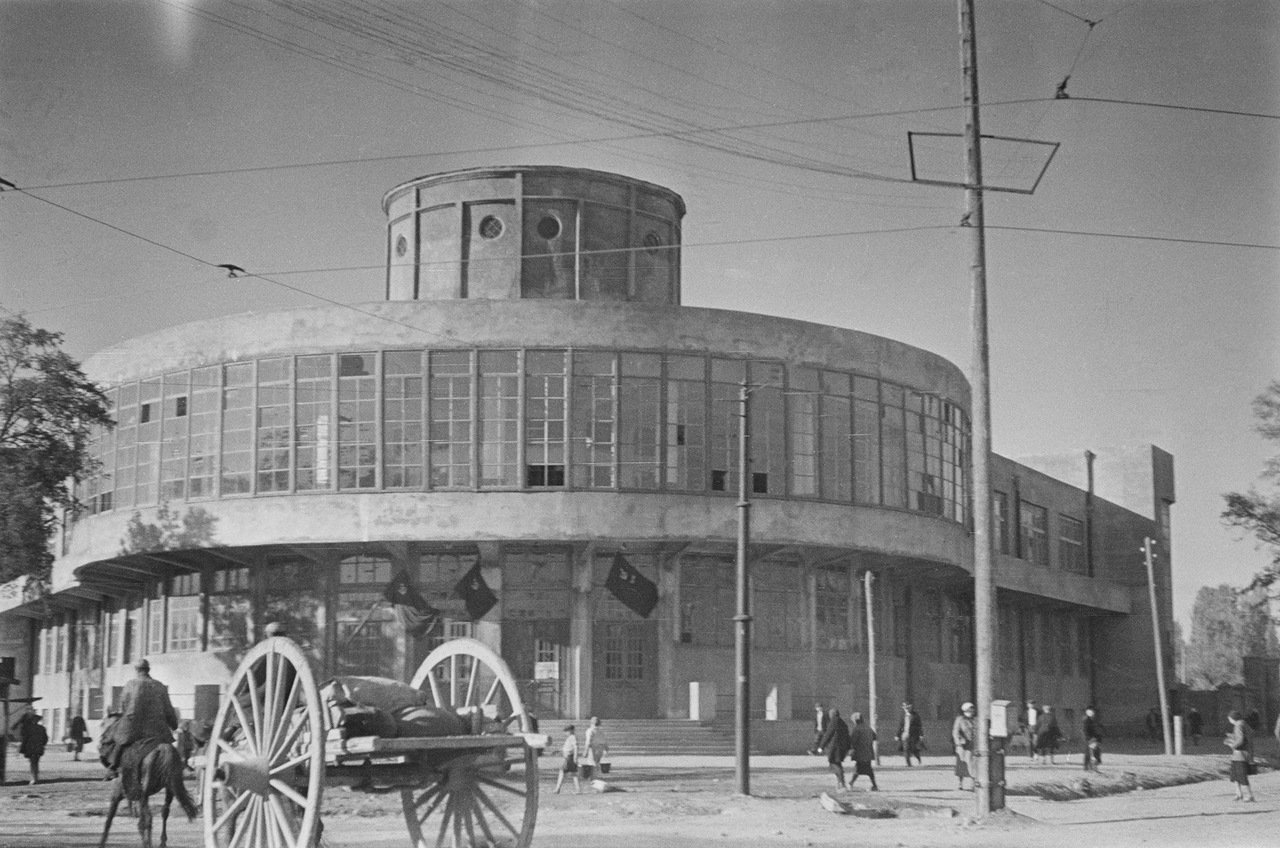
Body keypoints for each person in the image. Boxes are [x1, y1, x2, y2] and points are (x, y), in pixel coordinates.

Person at [109, 657, 180, 776]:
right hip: (158, 728)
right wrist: (173, 724)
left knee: (119, 740)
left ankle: (113, 767)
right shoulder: (160, 686)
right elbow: (168, 708)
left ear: (136, 670)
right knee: (171, 751)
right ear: (148, 670)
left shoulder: (130, 684)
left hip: (134, 728)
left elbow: (123, 706)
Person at [817, 707, 851, 791]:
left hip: (835, 748)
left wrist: (821, 746)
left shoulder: (833, 722)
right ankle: (840, 782)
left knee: (833, 764)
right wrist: (849, 747)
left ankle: (842, 783)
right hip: (842, 748)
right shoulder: (843, 723)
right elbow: (848, 736)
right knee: (837, 764)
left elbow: (828, 734)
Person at [1224, 710, 1255, 802]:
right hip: (1242, 754)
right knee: (1235, 775)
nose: (1229, 720)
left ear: (1233, 718)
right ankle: (1238, 794)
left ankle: (1250, 795)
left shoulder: (1238, 725)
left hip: (1240, 754)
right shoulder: (1244, 724)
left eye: (1229, 718)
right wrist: (1232, 736)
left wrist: (1232, 744)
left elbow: (1241, 740)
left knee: (1241, 775)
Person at [847, 712, 878, 791]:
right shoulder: (868, 727)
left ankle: (850, 783)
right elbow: (875, 737)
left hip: (860, 752)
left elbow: (853, 741)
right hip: (868, 752)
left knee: (858, 768)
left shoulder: (857, 729)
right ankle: (874, 785)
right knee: (868, 769)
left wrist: (850, 748)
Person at [19, 713, 49, 785]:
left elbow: (24, 738)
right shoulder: (41, 728)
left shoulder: (28, 728)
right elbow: (45, 739)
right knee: (35, 762)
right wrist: (42, 744)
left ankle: (34, 778)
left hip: (31, 747)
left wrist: (23, 748)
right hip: (38, 747)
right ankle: (35, 778)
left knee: (33, 763)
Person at [951, 702, 976, 790]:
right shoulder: (960, 719)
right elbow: (955, 732)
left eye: (972, 710)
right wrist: (958, 741)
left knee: (973, 764)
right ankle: (960, 783)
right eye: (969, 710)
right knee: (961, 764)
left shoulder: (975, 720)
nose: (971, 712)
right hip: (962, 746)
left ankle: (973, 783)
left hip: (972, 745)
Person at [554, 724, 581, 794]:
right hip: (569, 757)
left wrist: (575, 756)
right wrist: (559, 750)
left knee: (562, 771)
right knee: (574, 773)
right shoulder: (570, 738)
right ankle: (578, 789)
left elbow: (575, 747)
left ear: (571, 730)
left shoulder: (572, 737)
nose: (566, 733)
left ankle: (557, 788)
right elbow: (567, 748)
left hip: (569, 757)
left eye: (567, 731)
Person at [896, 701, 923, 767]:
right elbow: (901, 726)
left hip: (913, 735)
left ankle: (918, 757)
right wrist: (897, 735)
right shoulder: (903, 716)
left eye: (908, 707)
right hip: (905, 735)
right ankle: (908, 764)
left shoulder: (915, 715)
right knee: (906, 749)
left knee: (913, 748)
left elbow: (919, 725)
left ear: (910, 707)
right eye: (905, 708)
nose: (906, 709)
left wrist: (921, 734)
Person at [1082, 705, 1102, 771]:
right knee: (1089, 753)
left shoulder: (1093, 719)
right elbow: (1085, 730)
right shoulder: (1086, 720)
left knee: (1095, 752)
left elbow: (1097, 729)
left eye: (1093, 711)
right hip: (1089, 739)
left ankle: (1093, 767)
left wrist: (1097, 737)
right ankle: (1087, 767)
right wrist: (1089, 738)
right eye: (1091, 711)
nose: (1092, 712)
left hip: (1093, 738)